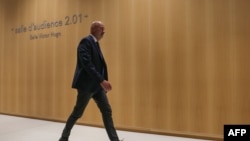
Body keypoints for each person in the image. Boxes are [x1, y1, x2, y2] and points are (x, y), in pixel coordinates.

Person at [59, 21, 122, 141]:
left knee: (107, 110)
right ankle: (63, 137)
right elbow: (87, 64)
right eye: (101, 29)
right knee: (77, 113)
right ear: (94, 30)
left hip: (97, 87)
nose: (104, 31)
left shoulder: (95, 43)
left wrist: (100, 81)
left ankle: (115, 140)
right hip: (87, 86)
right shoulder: (86, 41)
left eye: (104, 29)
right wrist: (102, 80)